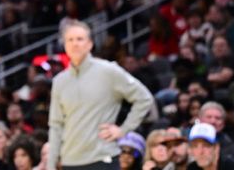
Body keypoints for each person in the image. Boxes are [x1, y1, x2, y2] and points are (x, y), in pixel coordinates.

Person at [48, 19, 155, 170]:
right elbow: (56, 126)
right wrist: (51, 165)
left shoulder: (108, 71)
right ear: (64, 45)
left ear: (90, 43)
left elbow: (144, 98)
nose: (75, 43)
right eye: (70, 40)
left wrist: (123, 130)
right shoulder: (59, 81)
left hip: (103, 157)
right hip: (70, 161)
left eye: (80, 39)